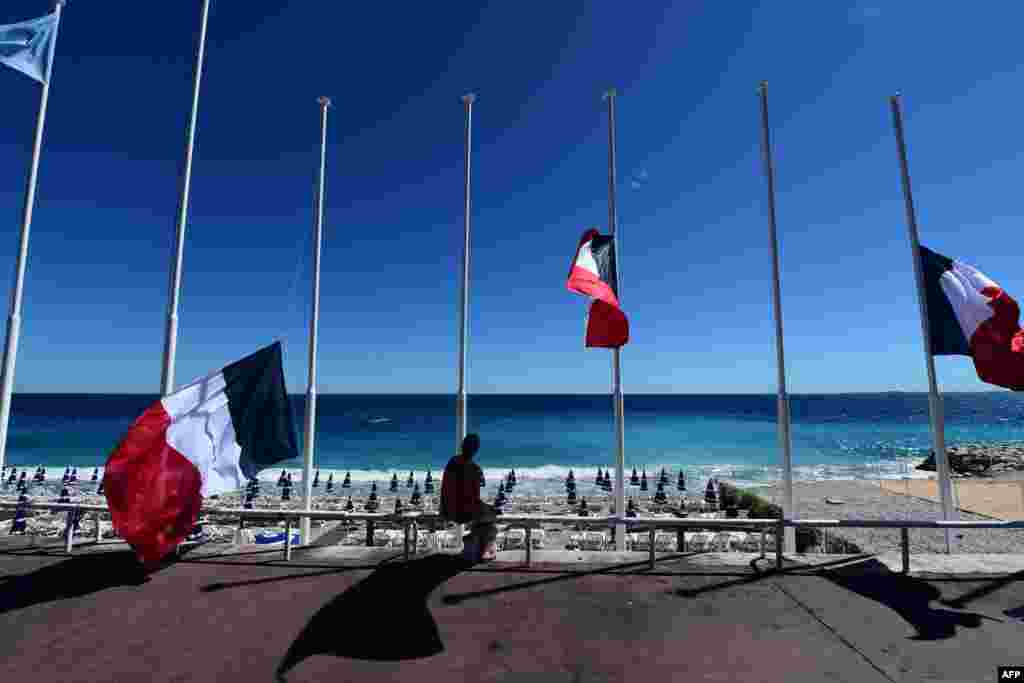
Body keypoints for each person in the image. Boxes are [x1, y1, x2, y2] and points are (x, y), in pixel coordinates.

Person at [440, 434, 498, 562]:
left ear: (462, 446)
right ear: (476, 449)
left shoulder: (452, 461)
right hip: (463, 512)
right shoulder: (474, 469)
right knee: (492, 518)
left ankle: (474, 544)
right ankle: (484, 551)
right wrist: (490, 508)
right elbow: (473, 498)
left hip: (447, 509)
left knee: (484, 516)